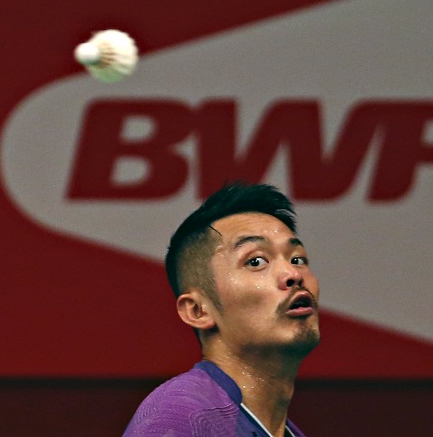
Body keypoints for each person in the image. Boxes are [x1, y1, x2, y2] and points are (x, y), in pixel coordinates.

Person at [123, 182, 321, 437]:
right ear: (197, 310)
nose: (293, 274)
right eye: (256, 261)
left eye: (297, 259)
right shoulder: (181, 415)